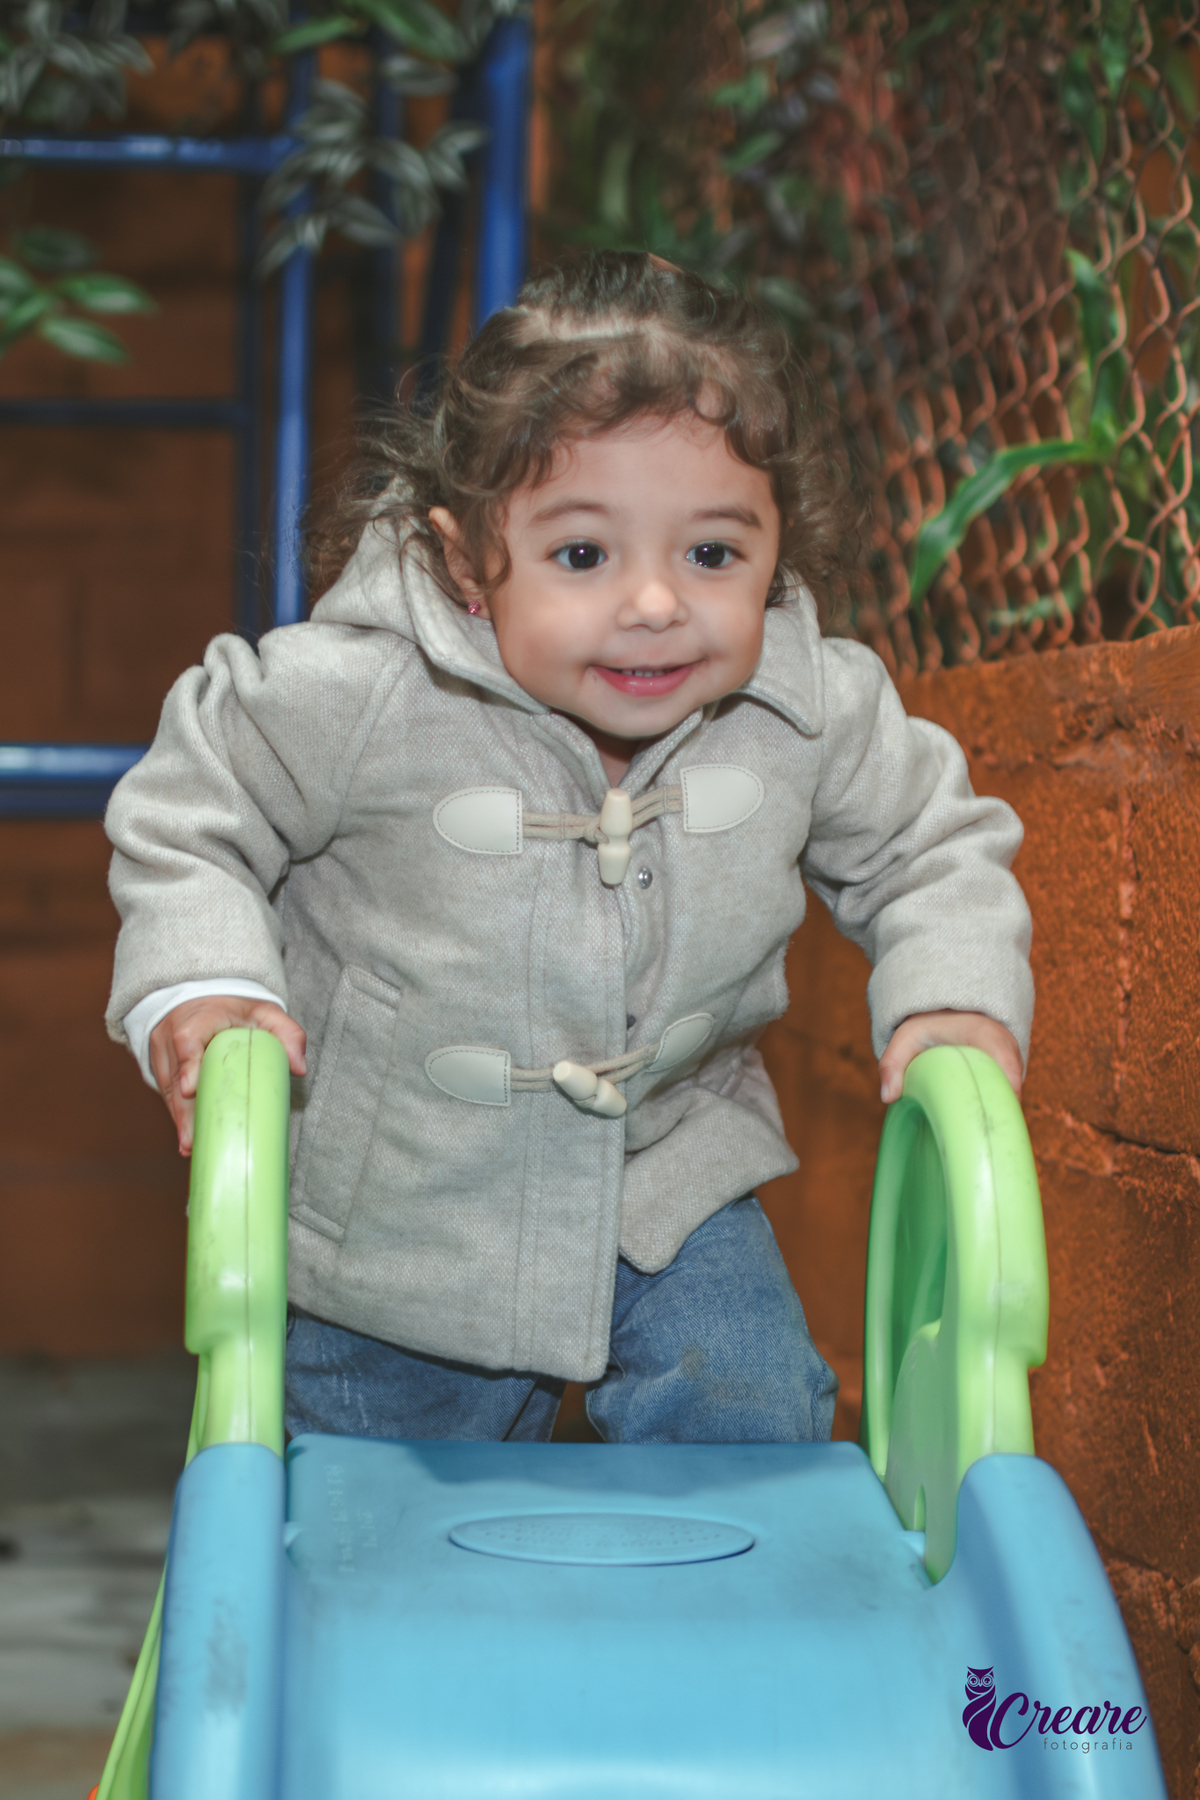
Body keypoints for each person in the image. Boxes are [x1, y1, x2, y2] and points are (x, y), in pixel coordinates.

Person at [105, 251, 1032, 1447]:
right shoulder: (368, 690)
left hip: (667, 1181)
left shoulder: (804, 709)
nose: (655, 604)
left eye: (712, 554)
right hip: (396, 1220)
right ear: (465, 561)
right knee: (365, 1523)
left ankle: (729, 1626)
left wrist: (952, 997)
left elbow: (929, 842)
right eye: (585, 556)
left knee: (752, 1413)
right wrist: (208, 980)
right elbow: (194, 802)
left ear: (776, 546)